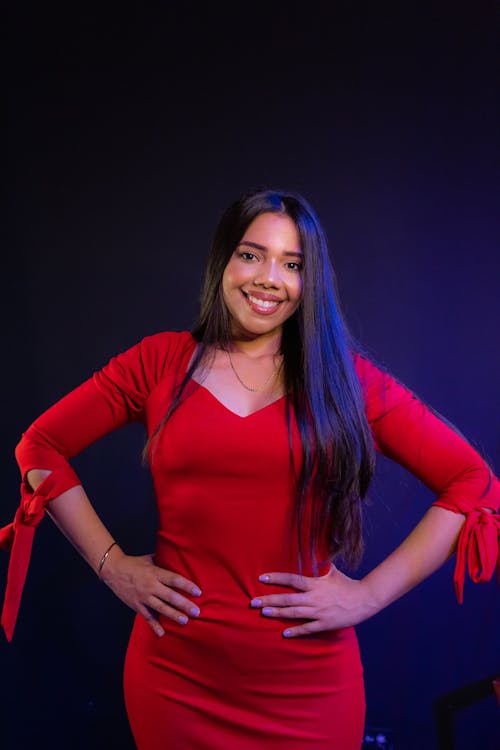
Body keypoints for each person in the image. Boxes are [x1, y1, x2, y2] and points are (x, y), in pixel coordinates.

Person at [1, 188, 499, 750]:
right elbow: (39, 445)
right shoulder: (160, 363)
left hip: (308, 689)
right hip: (174, 680)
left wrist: (369, 596)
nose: (269, 278)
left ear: (310, 283)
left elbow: (473, 482)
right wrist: (112, 565)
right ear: (222, 261)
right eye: (251, 254)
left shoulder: (346, 381)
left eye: (293, 264)